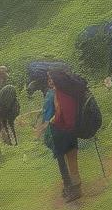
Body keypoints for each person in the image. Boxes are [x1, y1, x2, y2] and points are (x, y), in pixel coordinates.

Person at [35, 70, 81, 202]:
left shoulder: (55, 94)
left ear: (57, 80)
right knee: (72, 161)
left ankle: (69, 188)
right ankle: (77, 187)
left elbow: (57, 114)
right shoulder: (70, 91)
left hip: (60, 133)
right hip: (71, 131)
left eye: (51, 78)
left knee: (62, 162)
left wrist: (48, 123)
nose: (49, 81)